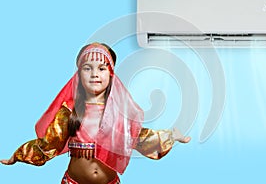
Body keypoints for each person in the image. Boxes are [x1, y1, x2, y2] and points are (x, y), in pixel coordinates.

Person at [0, 42, 191, 184]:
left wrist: (171, 135)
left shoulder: (119, 114)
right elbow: (47, 145)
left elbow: (140, 139)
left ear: (111, 75)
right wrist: (17, 156)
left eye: (101, 68)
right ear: (78, 75)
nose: (94, 74)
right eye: (87, 68)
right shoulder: (69, 112)